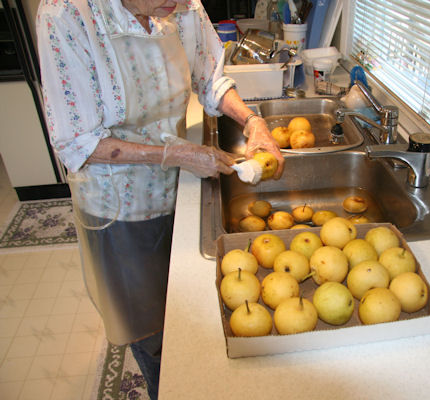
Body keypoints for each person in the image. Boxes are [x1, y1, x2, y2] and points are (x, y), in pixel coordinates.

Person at [35, 1, 284, 399]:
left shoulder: (179, 6)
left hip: (177, 188)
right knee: (147, 325)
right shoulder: (66, 16)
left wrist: (252, 121)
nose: (183, 3)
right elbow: (75, 140)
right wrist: (174, 154)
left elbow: (211, 78)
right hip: (118, 204)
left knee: (184, 307)